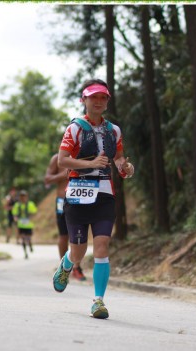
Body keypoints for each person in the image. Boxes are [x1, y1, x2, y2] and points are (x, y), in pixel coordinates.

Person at [52, 79, 134, 319]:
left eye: (102, 98)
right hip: (78, 194)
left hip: (105, 194)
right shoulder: (75, 128)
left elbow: (118, 158)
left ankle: (98, 301)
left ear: (107, 101)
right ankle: (67, 264)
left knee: (102, 246)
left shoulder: (114, 130)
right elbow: (62, 160)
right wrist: (89, 164)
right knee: (78, 252)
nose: (98, 102)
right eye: (93, 97)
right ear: (84, 100)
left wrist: (125, 167)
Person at [44, 153, 86, 281]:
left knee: (79, 235)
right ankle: (64, 268)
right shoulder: (57, 159)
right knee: (63, 235)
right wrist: (63, 175)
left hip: (81, 199)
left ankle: (77, 267)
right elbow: (47, 179)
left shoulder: (85, 155)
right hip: (62, 201)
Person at [11, 190, 38, 259]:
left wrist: (31, 216)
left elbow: (34, 212)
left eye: (24, 196)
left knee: (28, 238)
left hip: (28, 224)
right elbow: (14, 214)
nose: (23, 198)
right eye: (21, 196)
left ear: (26, 197)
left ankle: (30, 244)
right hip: (21, 225)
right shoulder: (17, 205)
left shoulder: (30, 204)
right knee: (23, 238)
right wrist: (15, 218)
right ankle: (25, 253)